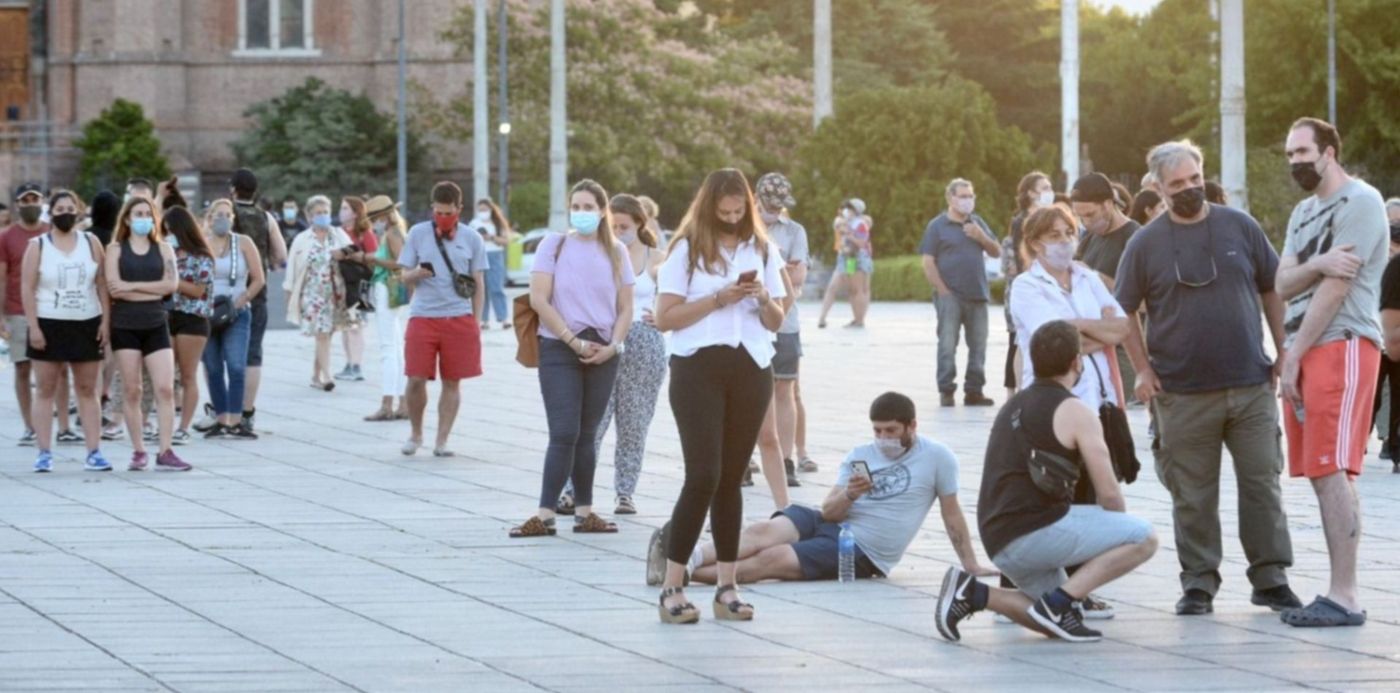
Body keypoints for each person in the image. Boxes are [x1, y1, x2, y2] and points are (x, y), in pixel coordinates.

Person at [1116, 139, 1299, 616]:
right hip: (1180, 392)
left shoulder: (1240, 226)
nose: (1189, 189)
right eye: (1177, 184)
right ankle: (1199, 581)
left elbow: (1271, 290)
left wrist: (1285, 351)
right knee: (1193, 494)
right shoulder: (1144, 243)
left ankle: (1271, 576)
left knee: (1263, 482)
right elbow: (1124, 313)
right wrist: (1142, 369)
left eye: (1195, 179)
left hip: (1251, 385)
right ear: (1157, 187)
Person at [935, 320, 1158, 644]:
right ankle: (1058, 603)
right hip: (1036, 532)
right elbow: (1110, 496)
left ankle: (973, 593)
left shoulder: (1013, 404)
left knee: (1062, 620)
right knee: (1144, 537)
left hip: (999, 539)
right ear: (1076, 362)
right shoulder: (1076, 411)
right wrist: (1112, 542)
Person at [660, 392, 994, 586]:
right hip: (831, 522)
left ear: (912, 426)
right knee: (766, 530)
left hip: (863, 551)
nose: (883, 439)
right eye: (877, 431)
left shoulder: (938, 457)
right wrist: (850, 493)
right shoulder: (860, 455)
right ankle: (684, 557)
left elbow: (952, 515)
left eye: (891, 431)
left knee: (772, 559)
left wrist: (971, 564)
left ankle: (683, 575)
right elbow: (829, 511)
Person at [647, 168, 786, 625]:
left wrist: (762, 297)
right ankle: (672, 585)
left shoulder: (762, 248)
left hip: (750, 367)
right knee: (702, 474)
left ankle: (727, 586)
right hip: (698, 368)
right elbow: (666, 318)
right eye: (724, 212)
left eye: (738, 211)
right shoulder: (686, 251)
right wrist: (718, 299)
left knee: (730, 477)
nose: (731, 219)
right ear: (709, 208)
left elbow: (776, 321)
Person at [1274, 118, 1388, 627]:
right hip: (1306, 346)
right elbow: (1282, 283)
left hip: (1340, 344)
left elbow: (1336, 290)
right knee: (1323, 471)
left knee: (1329, 466)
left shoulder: (1361, 202)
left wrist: (1294, 353)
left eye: (1303, 151)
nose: (1296, 161)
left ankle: (1344, 595)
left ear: (1330, 151)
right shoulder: (1303, 211)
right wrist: (1320, 263)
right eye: (1289, 154)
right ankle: (1340, 591)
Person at [510, 180, 633, 538]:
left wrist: (614, 345)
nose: (581, 213)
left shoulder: (617, 252)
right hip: (560, 345)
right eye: (575, 207)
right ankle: (545, 513)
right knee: (564, 431)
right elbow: (538, 298)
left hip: (604, 349)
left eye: (588, 207)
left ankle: (585, 512)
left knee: (587, 434)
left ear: (602, 210)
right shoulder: (554, 244)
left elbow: (626, 307)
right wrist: (572, 341)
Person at [558, 194, 668, 516]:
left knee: (634, 423)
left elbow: (676, 294)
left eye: (625, 226)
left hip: (644, 345)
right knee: (592, 421)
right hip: (603, 342)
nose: (619, 231)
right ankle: (572, 491)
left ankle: (625, 492)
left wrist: (661, 316)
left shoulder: (658, 257)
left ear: (639, 224)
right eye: (614, 225)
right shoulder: (600, 254)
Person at [19, 190, 111, 471]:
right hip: (49, 320)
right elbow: (27, 286)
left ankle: (93, 451)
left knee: (86, 388)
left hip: (85, 320)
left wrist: (106, 321)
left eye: (70, 208)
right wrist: (33, 325)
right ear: (51, 212)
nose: (65, 213)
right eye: (59, 208)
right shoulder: (39, 245)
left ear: (79, 211)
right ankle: (44, 452)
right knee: (46, 388)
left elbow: (102, 284)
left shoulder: (91, 242)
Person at [397, 181, 486, 457]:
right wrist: (416, 274)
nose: (443, 217)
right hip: (423, 316)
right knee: (415, 378)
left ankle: (442, 440)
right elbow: (403, 275)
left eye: (449, 212)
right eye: (438, 212)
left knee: (452, 381)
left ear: (459, 209)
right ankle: (416, 433)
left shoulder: (473, 238)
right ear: (432, 208)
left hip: (458, 318)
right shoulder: (417, 233)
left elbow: (478, 283)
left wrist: (476, 321)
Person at [105, 196, 190, 471]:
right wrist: (150, 287)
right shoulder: (116, 249)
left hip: (155, 323)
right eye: (137, 213)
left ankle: (165, 450)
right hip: (125, 326)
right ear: (127, 219)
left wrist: (134, 288)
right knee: (133, 389)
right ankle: (139, 449)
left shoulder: (163, 248)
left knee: (165, 388)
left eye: (148, 214)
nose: (143, 218)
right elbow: (114, 287)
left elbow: (172, 285)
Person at [920, 178, 1001, 408]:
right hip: (951, 295)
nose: (967, 201)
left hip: (978, 294)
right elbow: (928, 261)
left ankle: (974, 391)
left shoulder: (977, 223)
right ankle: (946, 390)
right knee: (947, 343)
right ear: (950, 198)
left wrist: (980, 236)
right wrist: (943, 291)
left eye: (970, 196)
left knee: (979, 346)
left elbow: (996, 251)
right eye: (963, 196)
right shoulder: (937, 226)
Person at [199, 199, 265, 439]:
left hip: (237, 311)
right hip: (208, 313)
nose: (223, 219)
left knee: (236, 365)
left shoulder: (243, 243)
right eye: (218, 215)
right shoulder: (202, 244)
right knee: (213, 366)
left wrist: (242, 299)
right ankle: (221, 418)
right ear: (209, 218)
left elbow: (258, 278)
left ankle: (236, 421)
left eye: (227, 215)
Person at [230, 169, 287, 434]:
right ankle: (247, 412)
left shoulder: (224, 214)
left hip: (227, 295)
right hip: (258, 292)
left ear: (233, 189)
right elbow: (280, 253)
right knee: (253, 352)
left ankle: (224, 410)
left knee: (223, 352)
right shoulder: (266, 217)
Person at [285, 195, 353, 391]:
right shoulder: (302, 239)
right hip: (312, 293)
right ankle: (327, 376)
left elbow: (353, 253)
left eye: (325, 212)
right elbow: (291, 268)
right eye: (318, 213)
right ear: (309, 216)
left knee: (327, 334)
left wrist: (345, 253)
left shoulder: (338, 234)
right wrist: (289, 295)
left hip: (335, 292)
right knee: (321, 334)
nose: (322, 216)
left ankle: (315, 375)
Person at [1, 183, 51, 445]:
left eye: (35, 198)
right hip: (17, 309)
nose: (31, 203)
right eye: (25, 199)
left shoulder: (51, 233)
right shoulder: (7, 237)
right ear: (18, 204)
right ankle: (29, 425)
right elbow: (1, 277)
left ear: (42, 202)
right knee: (22, 367)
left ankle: (54, 421)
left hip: (50, 308)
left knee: (53, 370)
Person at [162, 206, 215, 444]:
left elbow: (197, 290)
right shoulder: (167, 252)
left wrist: (172, 281)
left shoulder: (201, 256)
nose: (167, 234)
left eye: (170, 230)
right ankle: (164, 424)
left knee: (187, 375)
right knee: (164, 375)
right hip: (167, 315)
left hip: (193, 318)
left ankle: (183, 427)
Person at [1002, 171, 1055, 398]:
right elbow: (1020, 254)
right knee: (1019, 340)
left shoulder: (1051, 216)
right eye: (1043, 188)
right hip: (1027, 283)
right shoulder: (1020, 220)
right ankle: (1014, 391)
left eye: (1049, 187)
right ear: (1031, 192)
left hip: (1049, 282)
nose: (1048, 192)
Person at [362, 195, 409, 422]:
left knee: (388, 349)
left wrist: (372, 259)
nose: (373, 223)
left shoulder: (392, 234)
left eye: (375, 218)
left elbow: (401, 263)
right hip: (392, 290)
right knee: (396, 348)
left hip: (387, 289)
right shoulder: (394, 232)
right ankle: (402, 403)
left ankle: (387, 404)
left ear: (384, 216)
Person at [332, 196, 378, 383]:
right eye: (341, 208)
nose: (341, 212)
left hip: (358, 286)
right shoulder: (337, 232)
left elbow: (374, 256)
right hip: (341, 284)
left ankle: (356, 365)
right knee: (345, 326)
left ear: (355, 212)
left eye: (345, 208)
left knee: (356, 327)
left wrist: (352, 255)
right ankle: (349, 363)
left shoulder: (364, 233)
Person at [817, 198, 872, 329]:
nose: (847, 211)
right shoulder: (844, 222)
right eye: (846, 208)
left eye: (850, 209)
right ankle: (823, 318)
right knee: (841, 288)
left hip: (857, 257)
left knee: (857, 289)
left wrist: (849, 234)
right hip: (845, 257)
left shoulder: (860, 224)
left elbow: (861, 243)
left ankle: (859, 320)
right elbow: (837, 226)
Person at [469, 197, 512, 330]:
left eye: (485, 209)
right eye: (480, 210)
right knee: (482, 288)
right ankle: (483, 319)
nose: (483, 212)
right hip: (479, 256)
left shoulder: (498, 223)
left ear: (491, 209)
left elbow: (506, 241)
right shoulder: (474, 223)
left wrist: (491, 237)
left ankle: (503, 317)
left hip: (495, 255)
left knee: (496, 287)